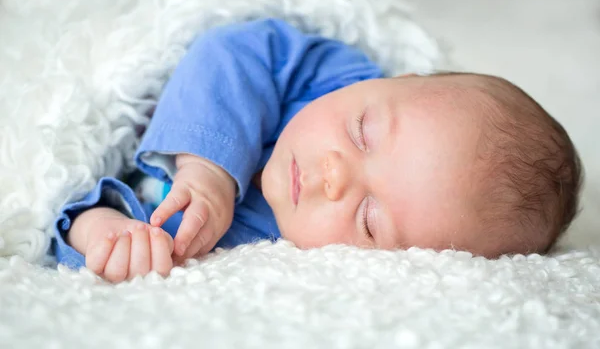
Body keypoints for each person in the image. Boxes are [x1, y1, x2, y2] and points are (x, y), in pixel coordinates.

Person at [52, 18, 582, 283]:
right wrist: (207, 167)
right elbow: (233, 48)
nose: (334, 177)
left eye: (370, 219)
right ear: (399, 78)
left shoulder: (262, 252)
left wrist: (104, 234)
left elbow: (84, 222)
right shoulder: (327, 75)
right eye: (362, 133)